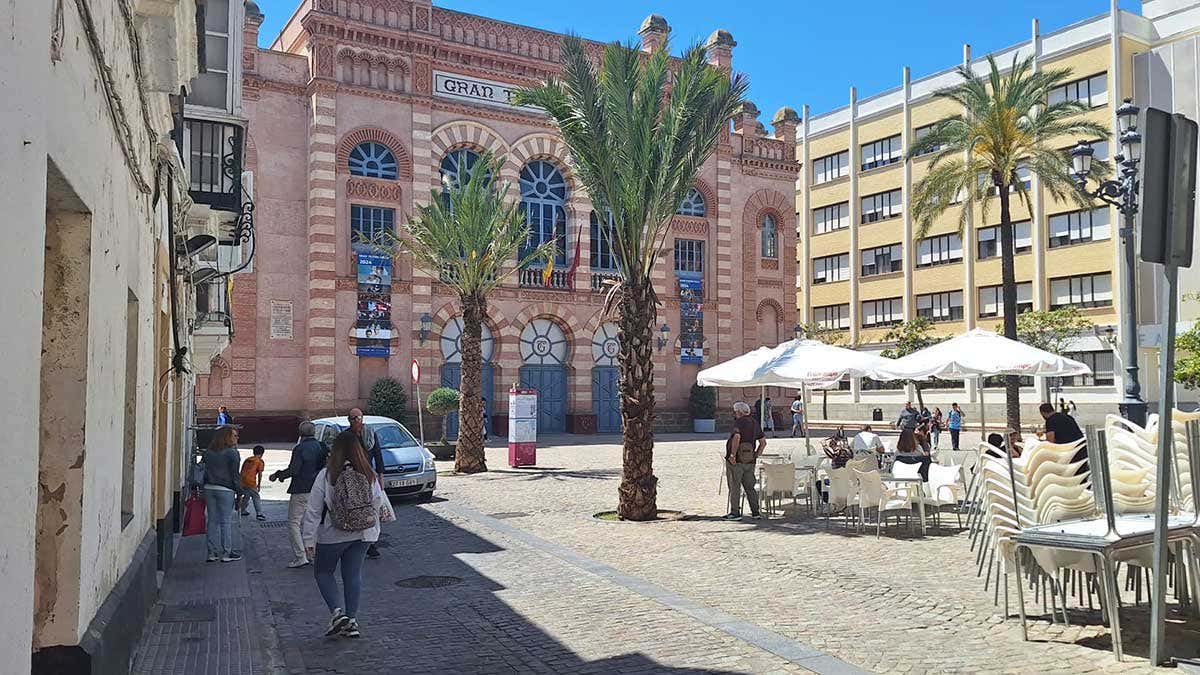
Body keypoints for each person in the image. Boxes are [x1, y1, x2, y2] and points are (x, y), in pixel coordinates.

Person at [302, 430, 385, 639]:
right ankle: (352, 620)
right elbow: (378, 502)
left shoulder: (327, 474)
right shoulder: (369, 473)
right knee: (353, 575)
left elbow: (313, 509)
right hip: (363, 533)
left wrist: (309, 539)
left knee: (323, 572)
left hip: (334, 532)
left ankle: (338, 613)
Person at [270, 421, 328, 568]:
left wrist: (279, 475)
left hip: (301, 489)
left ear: (300, 433)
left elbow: (294, 470)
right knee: (313, 522)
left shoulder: (300, 448)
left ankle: (301, 555)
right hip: (318, 489)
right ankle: (312, 552)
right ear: (314, 432)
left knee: (294, 523)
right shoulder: (321, 446)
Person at [202, 426, 244, 563]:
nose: (237, 438)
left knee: (212, 521)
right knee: (225, 521)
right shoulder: (232, 453)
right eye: (234, 436)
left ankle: (211, 553)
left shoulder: (208, 452)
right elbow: (235, 475)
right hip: (226, 489)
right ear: (226, 437)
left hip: (209, 488)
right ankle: (226, 553)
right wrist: (239, 491)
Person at [348, 408, 384, 560]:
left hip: (368, 477)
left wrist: (381, 477)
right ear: (349, 420)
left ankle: (371, 544)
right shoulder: (346, 436)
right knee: (357, 509)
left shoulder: (370, 433)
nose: (357, 420)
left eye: (359, 417)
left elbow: (378, 455)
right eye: (354, 418)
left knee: (371, 509)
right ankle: (359, 540)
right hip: (353, 478)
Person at [725, 401, 765, 520]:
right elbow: (763, 442)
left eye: (735, 411)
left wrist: (732, 455)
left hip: (737, 461)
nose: (735, 414)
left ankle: (735, 513)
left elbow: (737, 437)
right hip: (750, 461)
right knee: (750, 487)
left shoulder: (738, 422)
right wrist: (756, 454)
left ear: (739, 412)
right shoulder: (755, 423)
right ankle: (755, 512)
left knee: (735, 486)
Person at [1040, 402, 1087, 474]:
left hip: (1069, 452)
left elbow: (1050, 443)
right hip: (1081, 448)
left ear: (1043, 413)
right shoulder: (1068, 416)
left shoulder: (1050, 420)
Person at [238, 445, 266, 521]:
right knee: (256, 496)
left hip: (242, 480)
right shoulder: (259, 461)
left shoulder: (247, 459)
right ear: (262, 453)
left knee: (246, 496)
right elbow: (260, 474)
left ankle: (242, 510)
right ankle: (259, 513)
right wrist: (259, 485)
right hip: (251, 482)